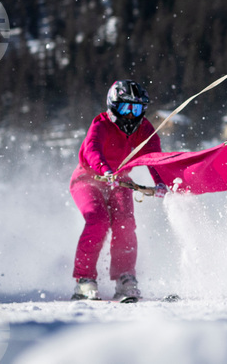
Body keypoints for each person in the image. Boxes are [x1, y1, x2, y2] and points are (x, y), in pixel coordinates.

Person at [69, 79, 165, 302]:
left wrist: (161, 182)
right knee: (98, 220)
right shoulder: (101, 124)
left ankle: (125, 277)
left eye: (137, 108)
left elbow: (154, 156)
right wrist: (105, 170)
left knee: (125, 223)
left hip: (120, 181)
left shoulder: (143, 129)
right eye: (125, 108)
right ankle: (84, 280)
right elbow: (92, 149)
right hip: (87, 179)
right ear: (113, 107)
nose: (131, 115)